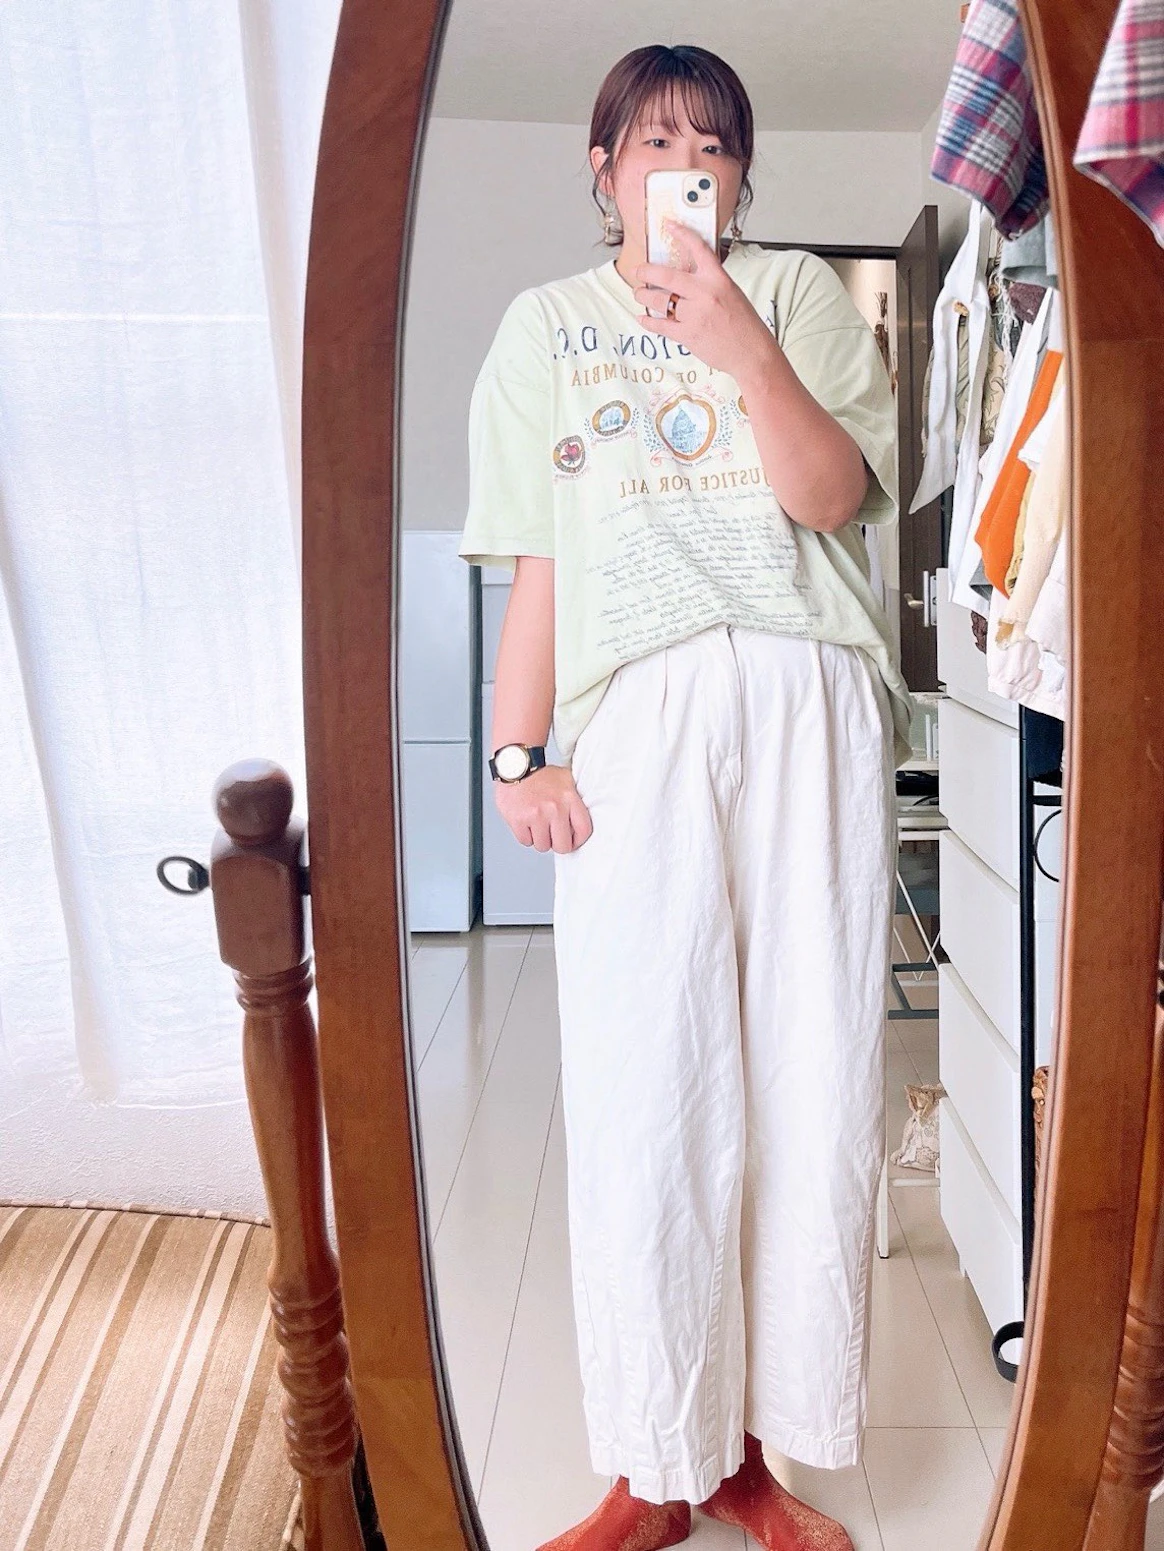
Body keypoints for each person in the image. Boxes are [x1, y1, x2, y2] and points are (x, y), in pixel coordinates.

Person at [458, 42, 913, 1551]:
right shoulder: (543, 328)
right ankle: (656, 1465)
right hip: (636, 717)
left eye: (712, 143)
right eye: (654, 140)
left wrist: (741, 342)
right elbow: (539, 560)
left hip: (805, 696)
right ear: (603, 170)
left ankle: (755, 1458)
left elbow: (831, 501)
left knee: (811, 1075)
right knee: (643, 1088)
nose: (684, 164)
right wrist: (516, 754)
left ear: (742, 174)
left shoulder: (797, 297)